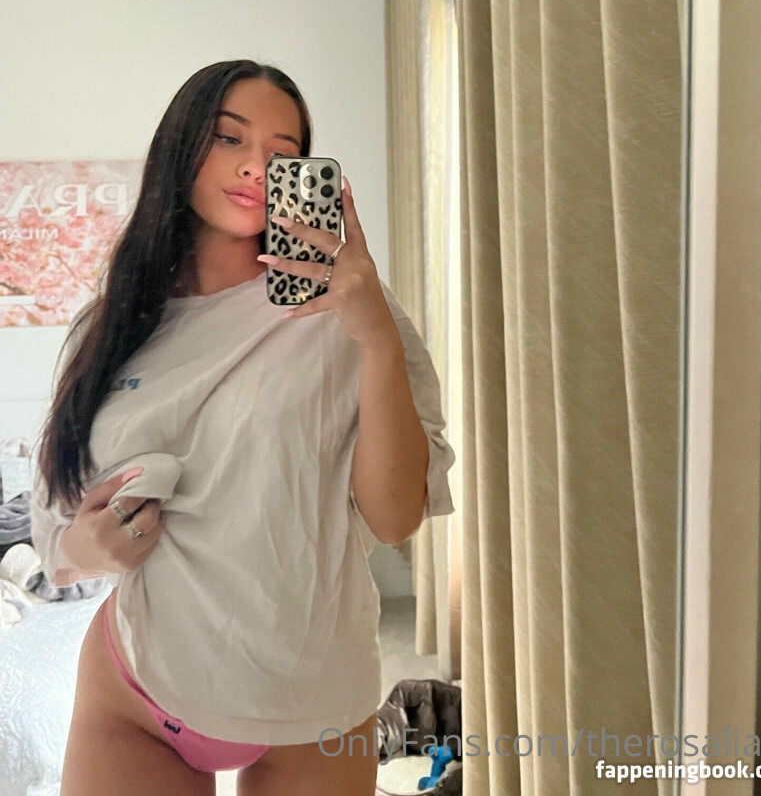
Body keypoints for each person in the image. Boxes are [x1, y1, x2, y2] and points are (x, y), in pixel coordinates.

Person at [30, 59, 456, 796]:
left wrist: (377, 339)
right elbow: (55, 520)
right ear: (182, 146)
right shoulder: (111, 325)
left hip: (314, 696)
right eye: (230, 138)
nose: (257, 165)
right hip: (138, 688)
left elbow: (395, 518)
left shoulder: (352, 309)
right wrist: (85, 547)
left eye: (283, 153)